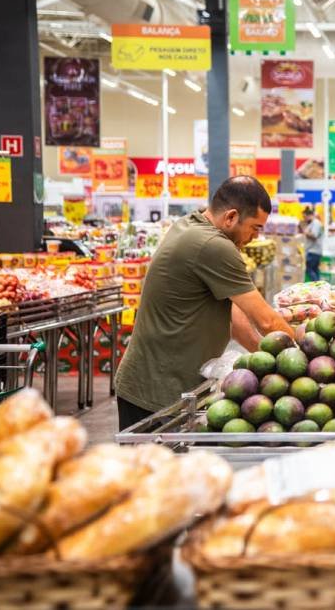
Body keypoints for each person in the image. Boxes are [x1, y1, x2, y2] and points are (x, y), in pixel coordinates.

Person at [115, 177, 294, 429]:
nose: (255, 237)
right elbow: (267, 321)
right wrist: (304, 358)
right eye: (255, 228)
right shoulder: (214, 246)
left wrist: (261, 354)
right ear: (231, 217)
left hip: (161, 384)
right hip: (156, 392)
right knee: (155, 468)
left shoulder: (190, 225)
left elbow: (232, 311)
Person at [299, 207, 322, 282]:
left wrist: (305, 232)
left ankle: (316, 284)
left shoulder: (316, 223)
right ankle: (319, 286)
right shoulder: (312, 224)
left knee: (309, 269)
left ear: (310, 215)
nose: (304, 219)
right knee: (315, 270)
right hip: (312, 251)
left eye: (305, 217)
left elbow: (314, 235)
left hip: (313, 251)